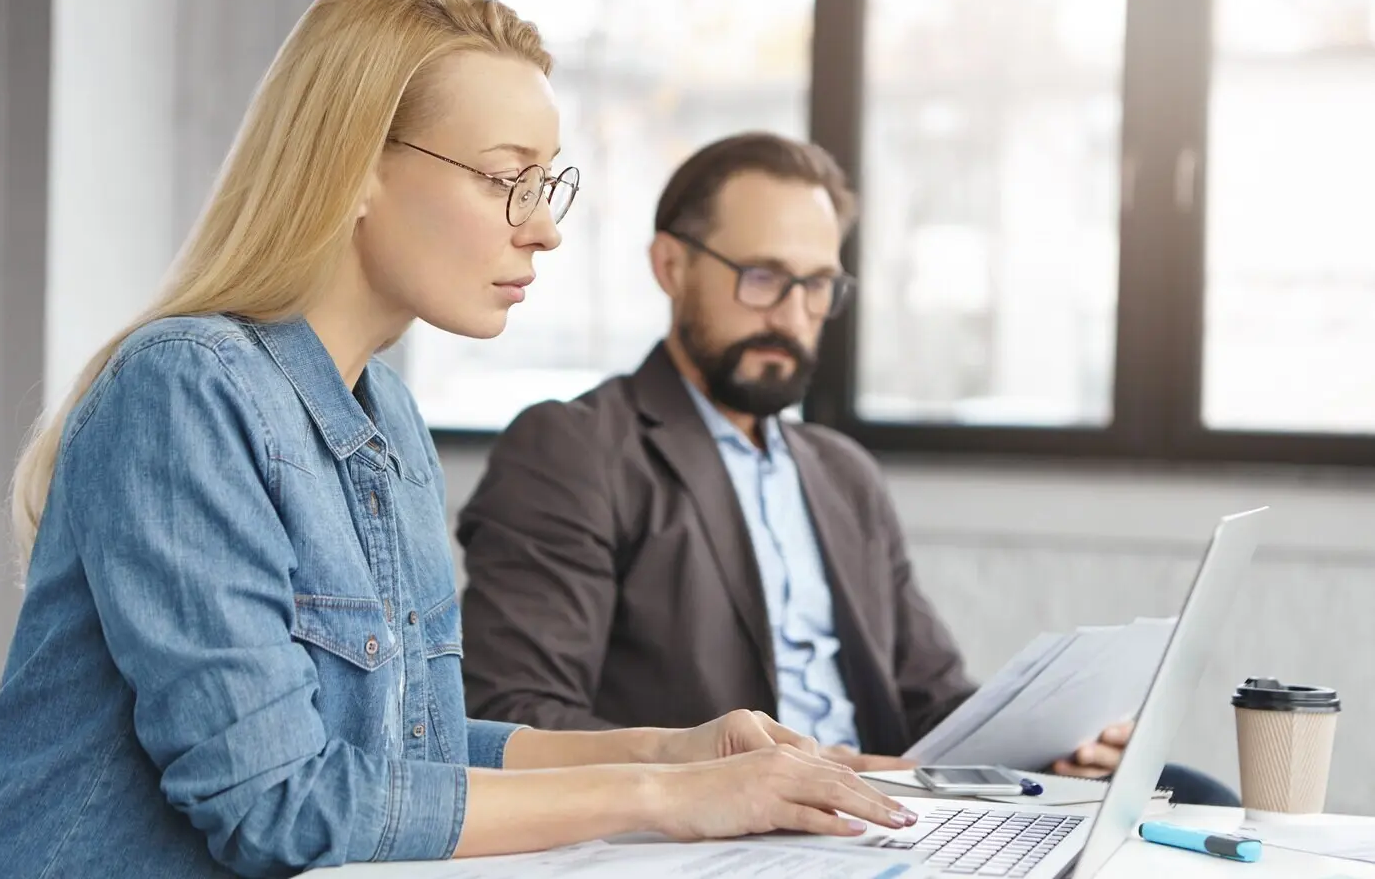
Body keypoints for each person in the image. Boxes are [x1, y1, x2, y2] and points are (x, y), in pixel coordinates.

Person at [0, 0, 917, 878]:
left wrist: (673, 754)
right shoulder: (186, 390)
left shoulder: (387, 415)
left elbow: (413, 751)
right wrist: (657, 798)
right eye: (506, 180)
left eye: (547, 185)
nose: (543, 230)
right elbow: (276, 803)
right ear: (353, 169)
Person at [456, 131, 1240, 807]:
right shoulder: (576, 451)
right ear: (670, 266)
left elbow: (931, 701)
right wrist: (732, 770)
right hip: (733, 822)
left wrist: (1051, 744)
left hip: (884, 807)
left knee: (1197, 799)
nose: (793, 317)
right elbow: (515, 715)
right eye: (762, 278)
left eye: (818, 286)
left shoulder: (841, 474)